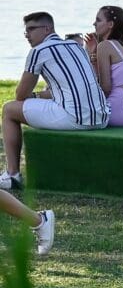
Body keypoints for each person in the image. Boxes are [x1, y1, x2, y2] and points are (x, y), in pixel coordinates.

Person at [0, 12, 112, 189]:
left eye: (31, 29)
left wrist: (32, 95)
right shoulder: (76, 46)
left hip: (75, 118)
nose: (27, 35)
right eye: (25, 32)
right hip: (102, 117)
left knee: (8, 110)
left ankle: (12, 175)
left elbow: (20, 95)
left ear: (47, 29)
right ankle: (12, 174)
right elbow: (66, 89)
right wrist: (37, 96)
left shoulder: (38, 51)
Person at [88, 5, 123, 128]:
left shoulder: (104, 45)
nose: (94, 23)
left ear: (110, 24)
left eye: (98, 20)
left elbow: (106, 88)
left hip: (118, 112)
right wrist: (94, 55)